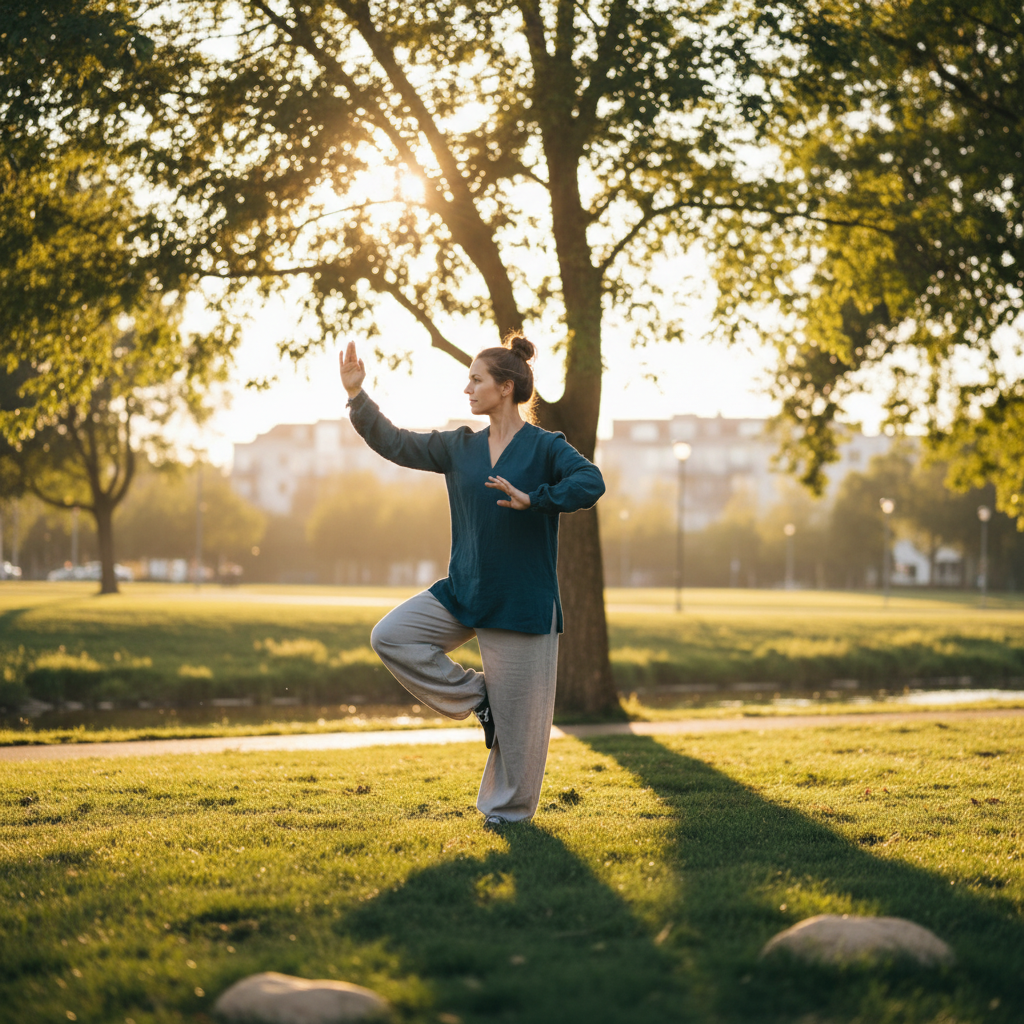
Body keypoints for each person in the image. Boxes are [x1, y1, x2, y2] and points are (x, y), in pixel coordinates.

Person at [339, 332, 605, 829]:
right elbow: (396, 442)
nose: (467, 389)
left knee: (521, 735)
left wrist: (537, 499)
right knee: (392, 636)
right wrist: (357, 396)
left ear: (505, 387)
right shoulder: (459, 446)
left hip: (522, 602)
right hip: (464, 591)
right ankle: (479, 699)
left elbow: (591, 482)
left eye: (476, 379)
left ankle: (504, 817)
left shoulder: (547, 447)